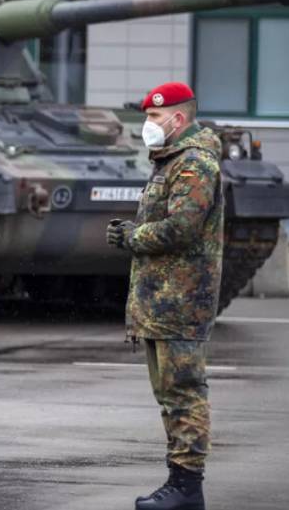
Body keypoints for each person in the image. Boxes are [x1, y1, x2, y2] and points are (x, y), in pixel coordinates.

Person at [106, 82, 223, 510]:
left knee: (184, 392)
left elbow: (183, 227)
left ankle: (187, 488)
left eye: (154, 117)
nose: (147, 125)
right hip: (162, 301)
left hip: (181, 299)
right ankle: (178, 482)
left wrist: (133, 236)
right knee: (170, 395)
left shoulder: (194, 164)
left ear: (178, 118)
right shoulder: (170, 161)